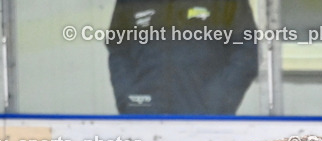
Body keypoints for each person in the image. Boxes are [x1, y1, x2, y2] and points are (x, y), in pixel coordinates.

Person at [107, 0, 259, 115]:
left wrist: (218, 99)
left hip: (205, 121)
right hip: (144, 117)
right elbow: (118, 51)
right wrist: (130, 99)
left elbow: (246, 50)